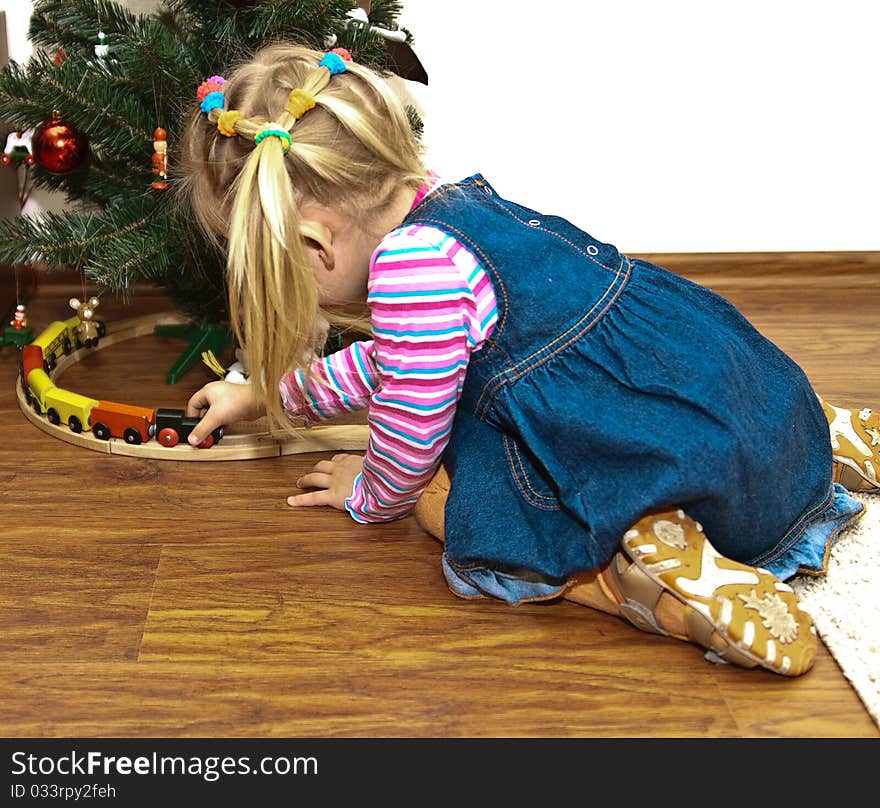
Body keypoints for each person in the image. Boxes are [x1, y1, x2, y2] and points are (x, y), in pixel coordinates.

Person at [178, 43, 878, 678]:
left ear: (313, 244)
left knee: (452, 513)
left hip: (652, 463)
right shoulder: (445, 200)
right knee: (735, 398)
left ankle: (656, 585)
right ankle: (818, 430)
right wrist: (270, 397)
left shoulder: (407, 270)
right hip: (723, 390)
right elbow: (398, 362)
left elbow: (412, 420)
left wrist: (372, 494)